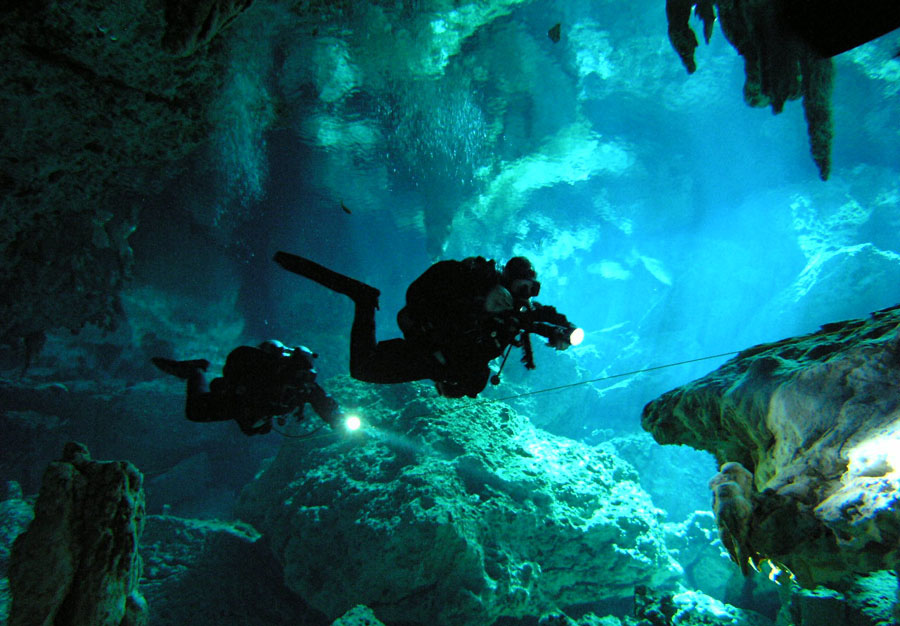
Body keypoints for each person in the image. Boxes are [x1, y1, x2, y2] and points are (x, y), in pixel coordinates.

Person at [274, 252, 580, 399]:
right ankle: (363, 299)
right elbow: (439, 306)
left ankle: (448, 376)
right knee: (363, 368)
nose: (525, 295)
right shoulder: (478, 290)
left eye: (532, 290)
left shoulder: (515, 312)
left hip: (440, 362)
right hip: (430, 347)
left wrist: (563, 330)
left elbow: (539, 318)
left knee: (472, 382)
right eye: (523, 287)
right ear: (508, 280)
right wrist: (476, 310)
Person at [152, 339, 343, 435]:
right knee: (195, 411)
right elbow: (243, 393)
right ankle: (195, 370)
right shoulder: (266, 374)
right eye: (301, 374)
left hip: (252, 408)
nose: (305, 380)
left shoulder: (304, 385)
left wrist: (337, 419)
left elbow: (323, 401)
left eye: (308, 375)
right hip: (238, 400)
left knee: (255, 429)